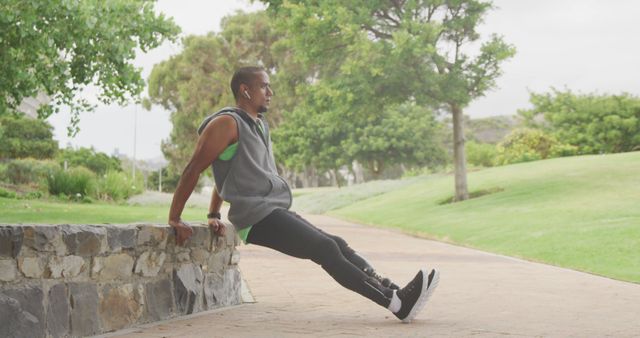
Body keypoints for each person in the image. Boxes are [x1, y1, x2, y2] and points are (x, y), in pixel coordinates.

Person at [168, 66, 439, 323]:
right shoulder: (225, 124)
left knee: (337, 242)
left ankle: (393, 289)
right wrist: (175, 218)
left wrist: (214, 213)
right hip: (255, 218)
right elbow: (194, 169)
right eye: (264, 86)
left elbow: (230, 171)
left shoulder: (258, 125)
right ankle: (395, 303)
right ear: (245, 90)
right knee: (325, 249)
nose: (270, 92)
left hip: (273, 210)